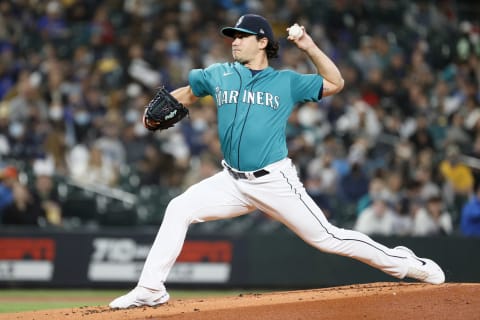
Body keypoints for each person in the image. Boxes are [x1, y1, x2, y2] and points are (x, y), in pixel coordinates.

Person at [109, 14, 445, 309]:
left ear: (262, 41)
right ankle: (150, 289)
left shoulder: (286, 81)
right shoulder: (219, 73)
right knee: (178, 209)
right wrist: (162, 109)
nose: (234, 41)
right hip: (231, 182)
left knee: (329, 238)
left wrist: (309, 46)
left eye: (241, 36)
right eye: (232, 36)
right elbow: (189, 91)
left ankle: (404, 263)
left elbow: (335, 83)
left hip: (274, 181)